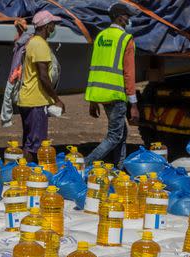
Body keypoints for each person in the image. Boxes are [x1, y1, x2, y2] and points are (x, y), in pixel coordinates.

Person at [84, 3, 138, 169]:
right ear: (119, 17)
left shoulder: (101, 36)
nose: (128, 19)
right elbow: (129, 74)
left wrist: (93, 100)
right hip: (116, 94)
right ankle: (84, 164)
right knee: (114, 136)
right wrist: (134, 104)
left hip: (101, 93)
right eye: (127, 16)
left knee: (121, 133)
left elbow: (94, 67)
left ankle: (118, 168)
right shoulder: (125, 39)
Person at [18, 10, 66, 162]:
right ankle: (29, 178)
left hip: (27, 100)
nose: (54, 28)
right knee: (36, 146)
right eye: (53, 24)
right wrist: (56, 99)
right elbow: (43, 76)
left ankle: (25, 176)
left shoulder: (32, 42)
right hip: (36, 102)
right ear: (46, 26)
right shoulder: (40, 45)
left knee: (29, 142)